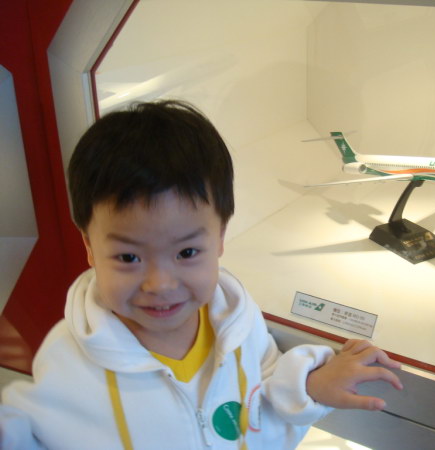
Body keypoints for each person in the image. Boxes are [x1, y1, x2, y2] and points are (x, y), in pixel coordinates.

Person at [0, 100, 402, 449]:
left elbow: (260, 394)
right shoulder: (67, 359)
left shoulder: (238, 321)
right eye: (128, 257)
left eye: (187, 252)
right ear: (89, 246)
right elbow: (29, 431)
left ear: (221, 237)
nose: (160, 284)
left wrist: (309, 386)